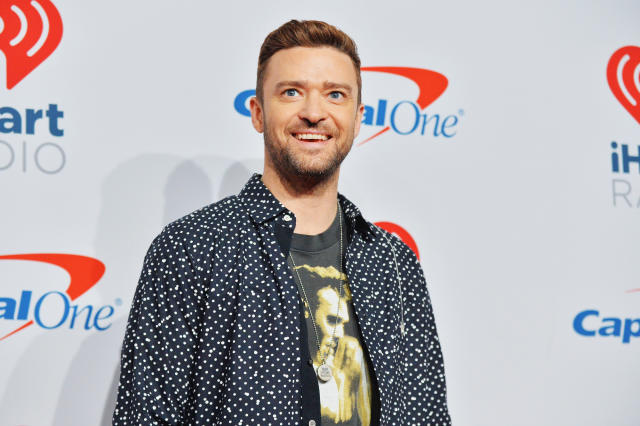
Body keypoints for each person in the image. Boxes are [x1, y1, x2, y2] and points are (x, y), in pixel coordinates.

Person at [113, 19, 451, 425]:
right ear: (258, 113)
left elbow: (425, 415)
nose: (314, 113)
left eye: (335, 94)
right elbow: (145, 416)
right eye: (291, 92)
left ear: (358, 117)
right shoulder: (192, 248)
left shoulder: (393, 262)